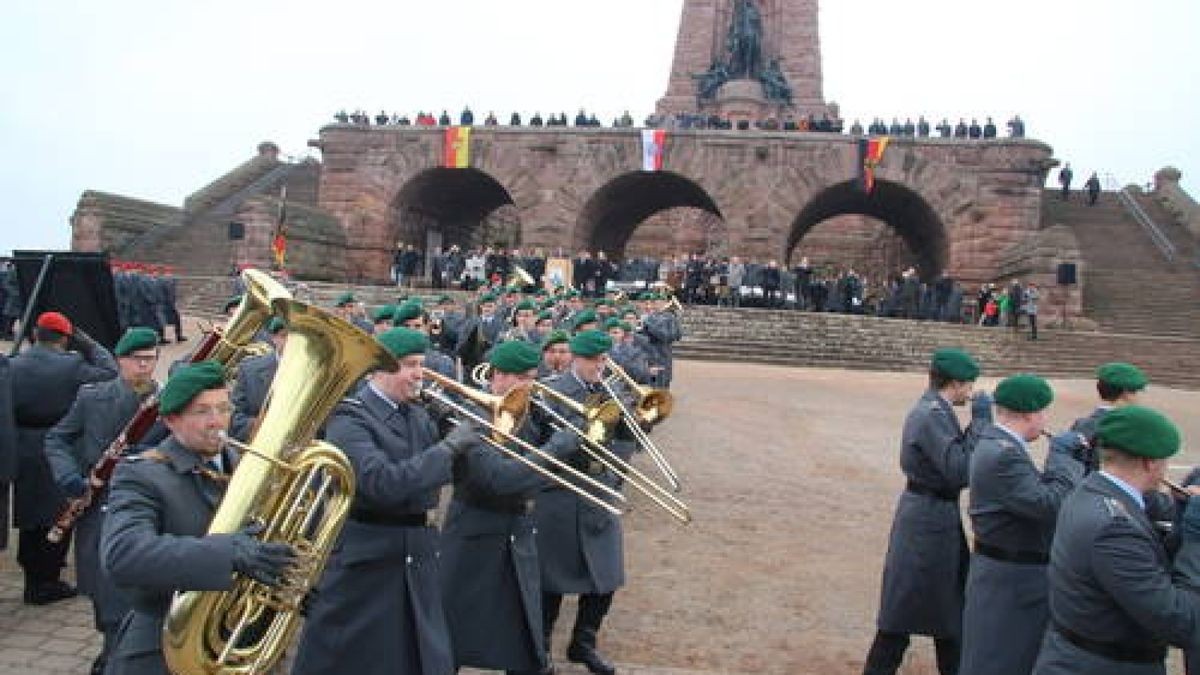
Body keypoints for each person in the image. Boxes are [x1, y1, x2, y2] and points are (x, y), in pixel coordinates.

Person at [292, 328, 480, 675]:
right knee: (357, 659)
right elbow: (382, 484)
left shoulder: (419, 414)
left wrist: (467, 441)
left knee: (418, 657)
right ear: (379, 370)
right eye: (410, 365)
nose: (420, 374)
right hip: (369, 558)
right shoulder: (350, 418)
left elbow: (447, 476)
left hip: (415, 553)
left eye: (421, 364)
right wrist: (449, 447)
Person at [100, 361, 295, 675]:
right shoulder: (141, 474)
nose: (217, 422)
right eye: (202, 412)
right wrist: (225, 552)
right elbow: (122, 553)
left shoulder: (247, 465)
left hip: (238, 642)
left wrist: (291, 576)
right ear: (171, 421)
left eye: (223, 408)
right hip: (166, 643)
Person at [440, 341, 581, 675]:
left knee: (522, 635)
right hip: (474, 533)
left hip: (517, 533)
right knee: (451, 636)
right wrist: (554, 450)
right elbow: (498, 479)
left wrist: (568, 433)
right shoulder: (469, 414)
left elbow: (546, 474)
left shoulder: (531, 412)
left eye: (533, 377)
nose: (531, 386)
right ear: (498, 376)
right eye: (523, 378)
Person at [1032, 405, 1200, 674]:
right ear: (1150, 463)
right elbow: (1182, 622)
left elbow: (1147, 563)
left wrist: (1179, 526)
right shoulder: (1115, 527)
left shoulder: (1091, 492)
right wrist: (1195, 542)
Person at [863, 348, 991, 675]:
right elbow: (960, 469)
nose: (970, 391)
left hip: (932, 515)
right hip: (927, 519)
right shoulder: (931, 413)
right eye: (968, 385)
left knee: (946, 614)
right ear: (956, 383)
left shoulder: (935, 410)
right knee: (902, 619)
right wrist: (979, 423)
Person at [43, 327, 159, 674]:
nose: (144, 367)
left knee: (140, 593)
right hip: (98, 505)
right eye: (136, 360)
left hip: (146, 507)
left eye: (150, 359)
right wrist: (69, 477)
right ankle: (111, 649)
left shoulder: (167, 402)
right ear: (120, 360)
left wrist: (146, 457)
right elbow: (57, 439)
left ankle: (121, 655)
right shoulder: (92, 397)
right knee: (103, 591)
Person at [958, 374, 1087, 675]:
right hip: (1010, 579)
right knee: (1001, 659)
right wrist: (1063, 458)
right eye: (1043, 412)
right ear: (1031, 414)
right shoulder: (1003, 454)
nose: (1045, 420)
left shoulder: (1000, 445)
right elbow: (1050, 504)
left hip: (1009, 573)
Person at [536, 330, 629, 675]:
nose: (601, 366)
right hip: (560, 490)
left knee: (607, 574)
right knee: (553, 580)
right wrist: (582, 427)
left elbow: (625, 438)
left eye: (604, 359)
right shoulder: (553, 391)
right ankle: (541, 648)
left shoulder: (610, 391)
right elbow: (543, 441)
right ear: (576, 359)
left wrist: (637, 418)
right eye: (595, 360)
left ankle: (583, 642)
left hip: (598, 488)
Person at [10, 311, 118, 605]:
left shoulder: (13, 363)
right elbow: (110, 371)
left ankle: (32, 575)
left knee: (30, 516)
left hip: (23, 445)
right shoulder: (73, 364)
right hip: (61, 445)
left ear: (36, 334)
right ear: (65, 338)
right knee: (59, 515)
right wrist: (90, 344)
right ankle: (45, 582)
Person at [1070, 363, 1148, 471]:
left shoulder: (1080, 424)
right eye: (1137, 392)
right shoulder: (1125, 428)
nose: (1139, 398)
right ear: (1126, 393)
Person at [228, 318, 287, 442]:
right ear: (274, 338)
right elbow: (233, 416)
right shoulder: (249, 369)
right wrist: (256, 425)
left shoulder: (320, 373)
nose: (291, 342)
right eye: (284, 335)